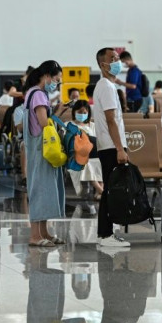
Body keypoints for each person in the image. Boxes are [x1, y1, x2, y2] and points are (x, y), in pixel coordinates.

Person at [22, 60, 66, 247]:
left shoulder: (32, 92)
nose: (56, 83)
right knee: (40, 190)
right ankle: (34, 235)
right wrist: (59, 117)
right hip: (41, 149)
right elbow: (43, 122)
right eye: (56, 79)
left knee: (45, 189)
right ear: (46, 76)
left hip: (38, 148)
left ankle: (44, 232)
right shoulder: (39, 94)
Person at [93, 48, 131, 248]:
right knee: (110, 189)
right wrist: (119, 148)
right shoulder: (106, 87)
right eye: (112, 59)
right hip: (110, 146)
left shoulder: (106, 85)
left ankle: (106, 233)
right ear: (102, 65)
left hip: (110, 145)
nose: (117, 62)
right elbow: (111, 121)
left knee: (111, 189)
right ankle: (105, 234)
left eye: (117, 58)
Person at [67, 100, 103, 199]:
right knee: (86, 164)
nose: (82, 115)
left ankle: (99, 192)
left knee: (103, 161)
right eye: (79, 112)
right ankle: (101, 191)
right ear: (74, 112)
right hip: (78, 154)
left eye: (84, 113)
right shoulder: (68, 125)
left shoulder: (92, 126)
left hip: (94, 153)